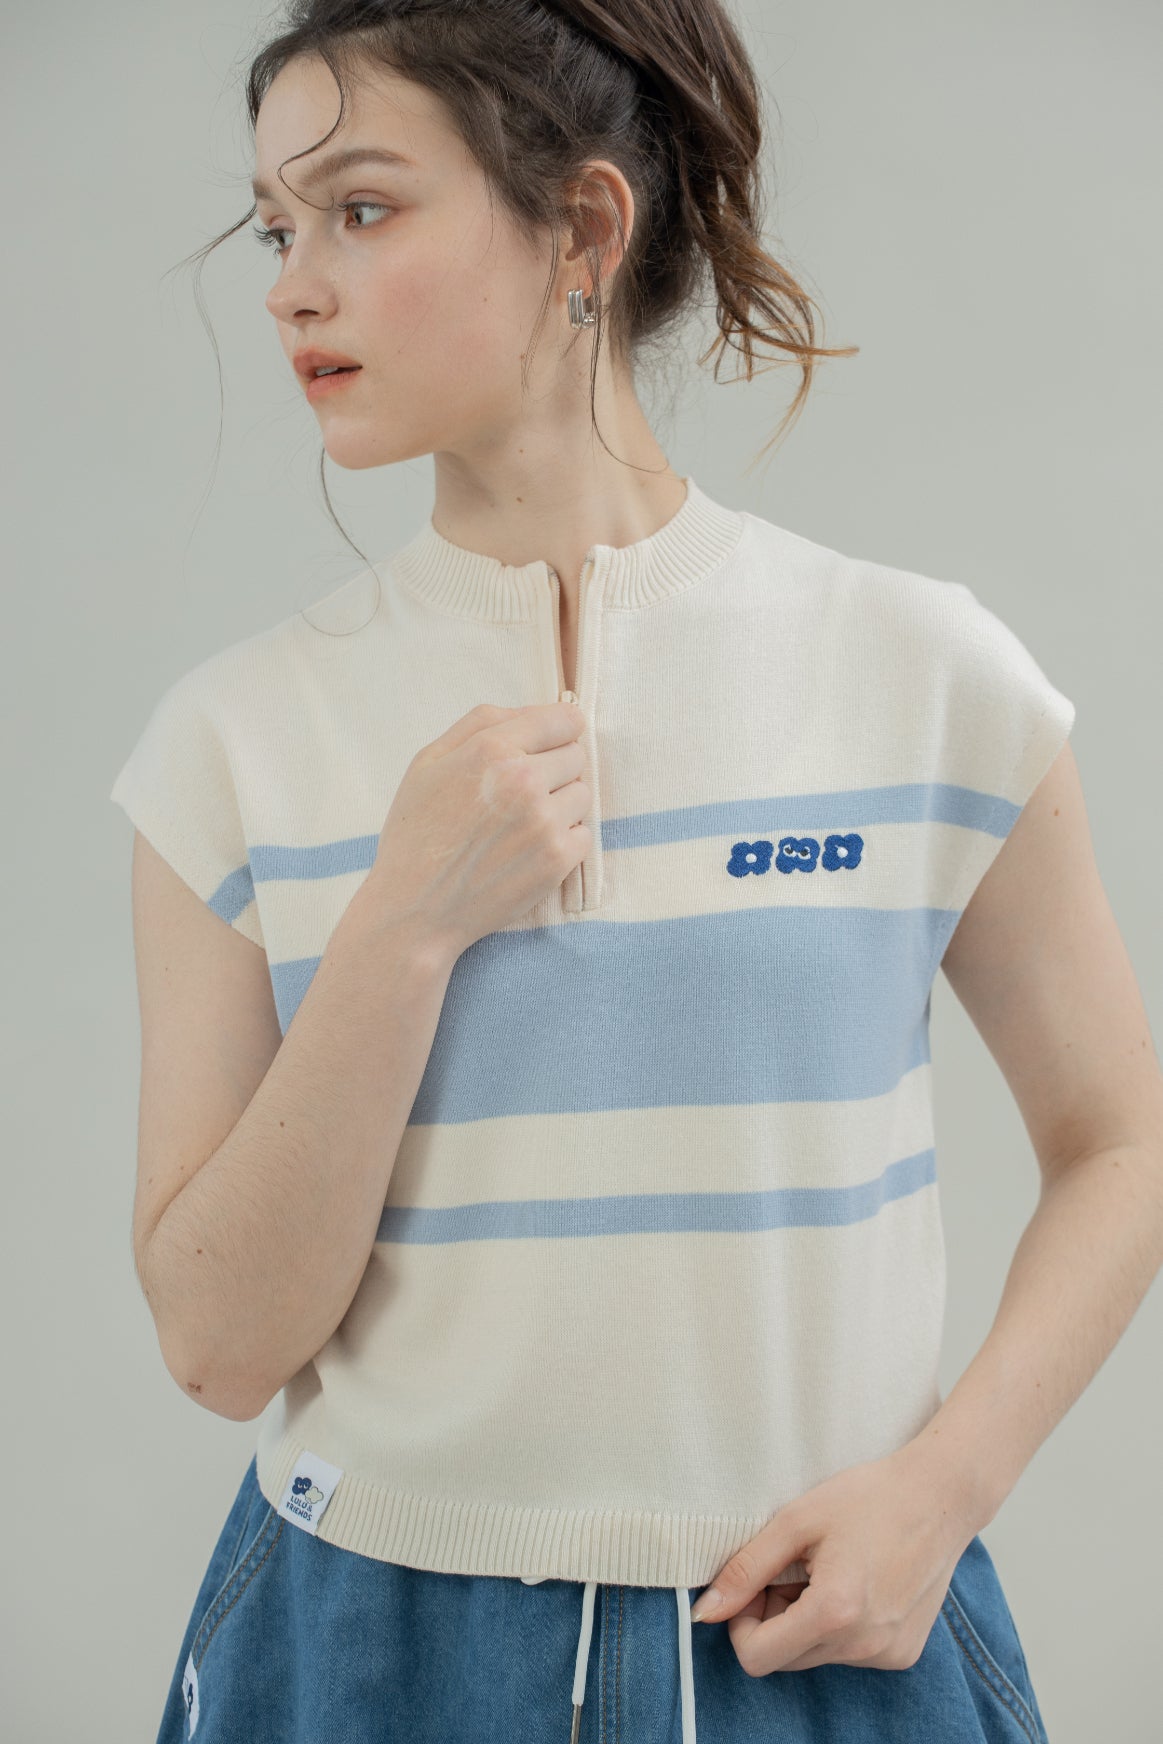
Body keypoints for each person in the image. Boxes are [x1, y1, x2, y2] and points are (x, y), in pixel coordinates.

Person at [110, 4, 1163, 1742]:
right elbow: (220, 1348)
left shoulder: (923, 676)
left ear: (584, 228)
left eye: (360, 209)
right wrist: (404, 925)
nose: (293, 287)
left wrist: (945, 1490)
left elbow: (1120, 1140)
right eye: (276, 228)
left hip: (816, 1631)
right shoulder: (229, 744)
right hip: (366, 1646)